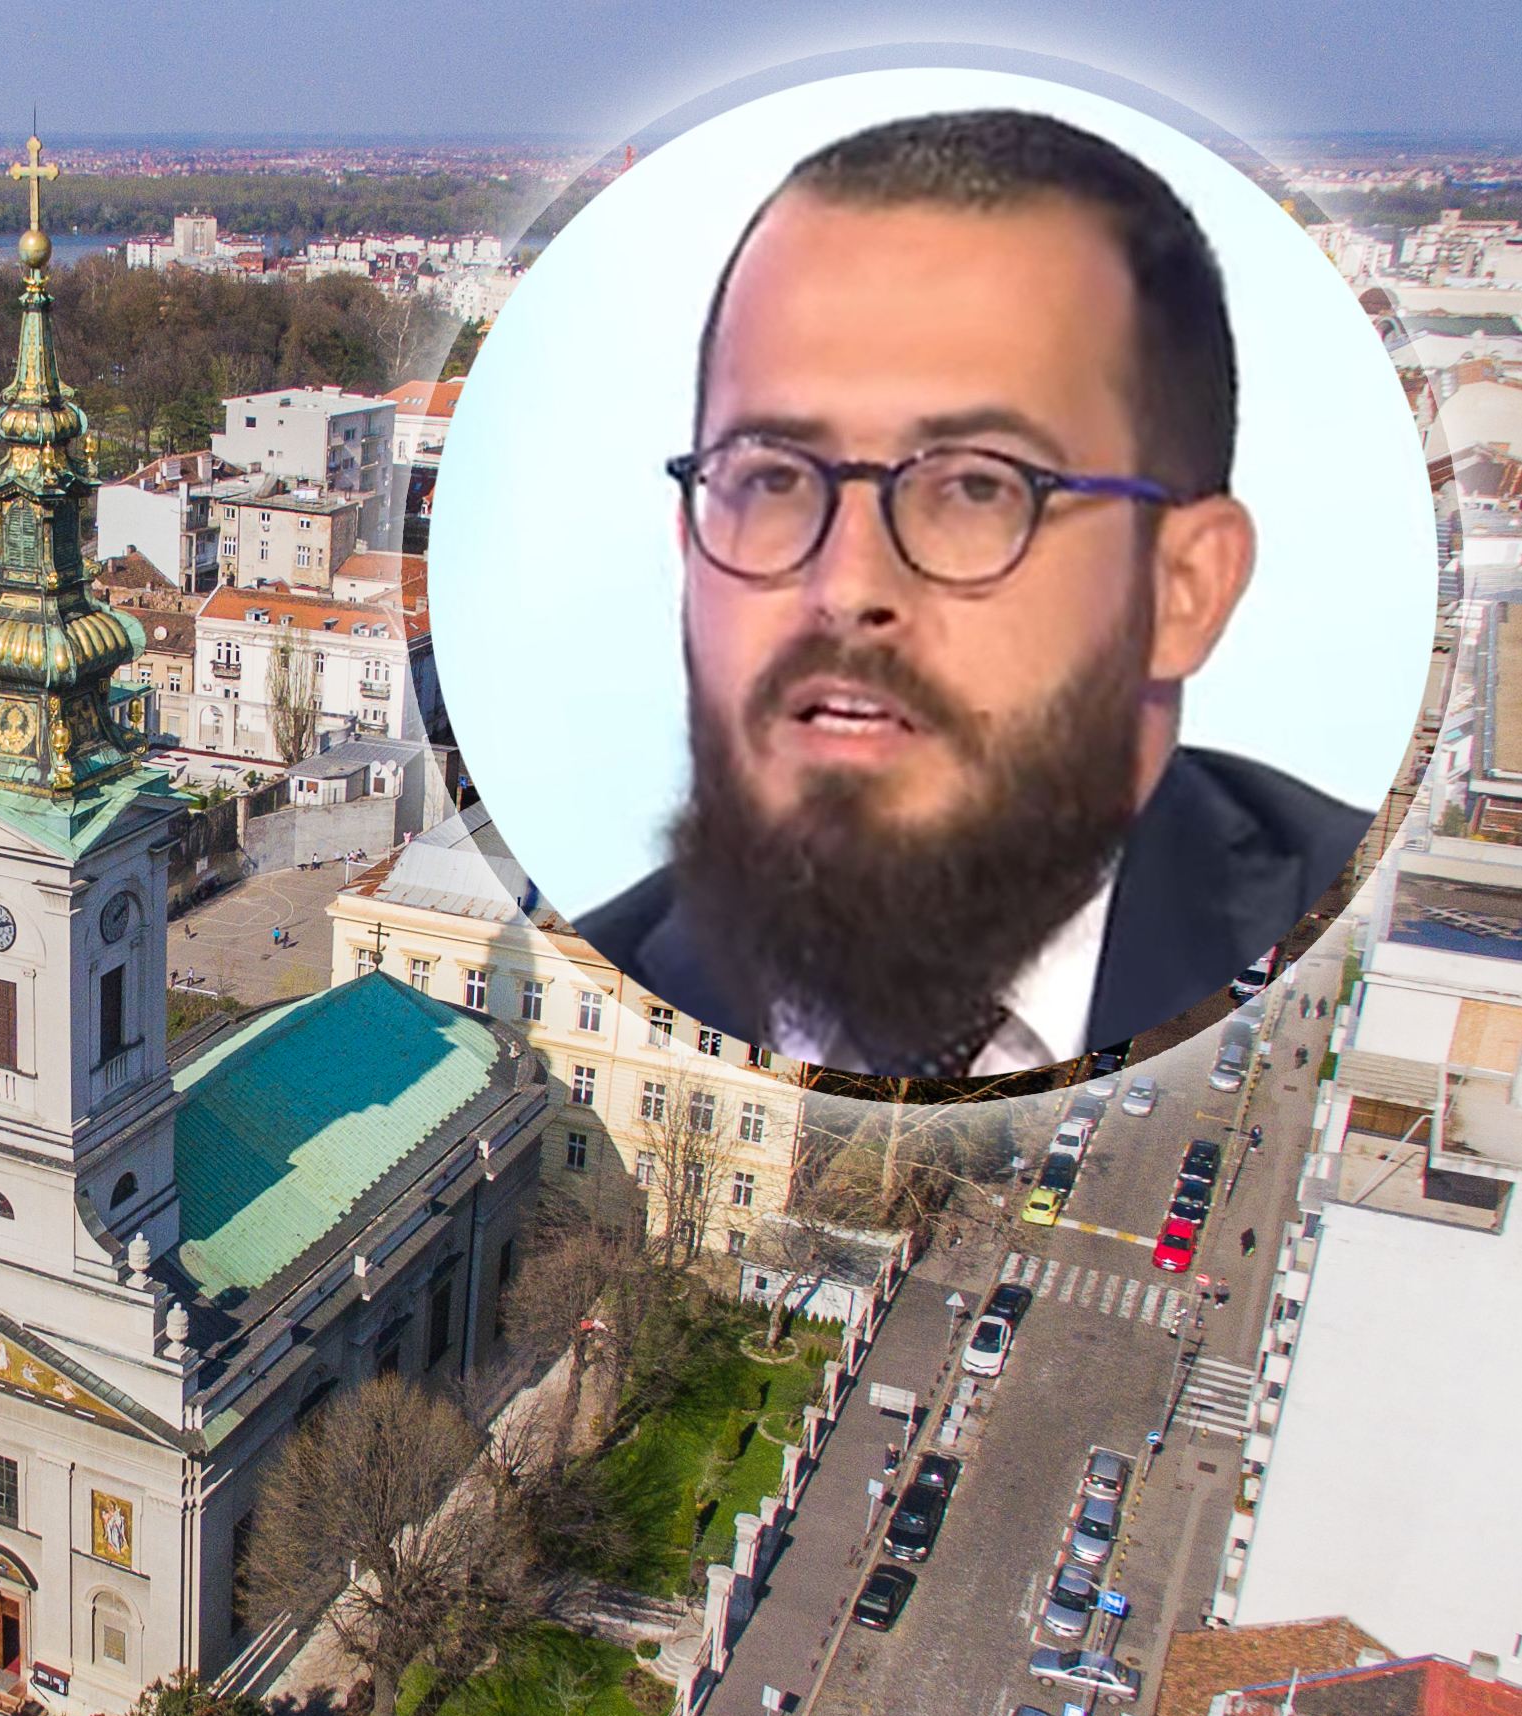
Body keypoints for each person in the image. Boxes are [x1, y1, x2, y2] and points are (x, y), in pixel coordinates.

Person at [580, 109, 1368, 1077]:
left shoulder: (1360, 950)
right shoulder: (595, 986)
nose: (847, 585)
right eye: (773, 477)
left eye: (975, 486)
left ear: (1183, 588)